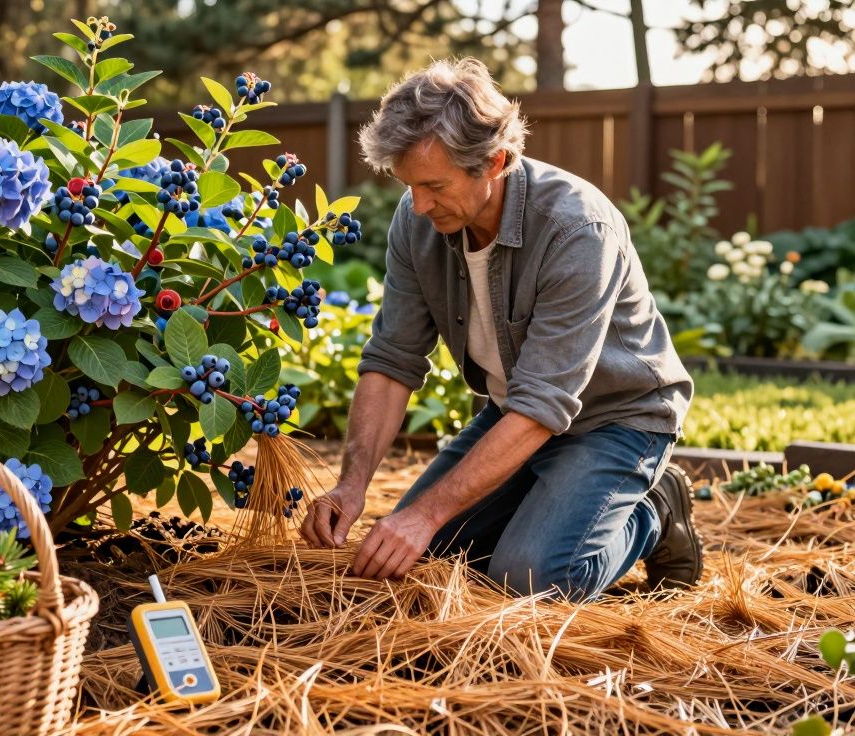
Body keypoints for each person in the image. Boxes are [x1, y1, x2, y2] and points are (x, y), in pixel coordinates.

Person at [299, 58, 701, 602]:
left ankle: (652, 512)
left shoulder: (578, 228)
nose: (418, 205)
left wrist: (424, 513)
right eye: (408, 185)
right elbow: (393, 361)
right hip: (513, 413)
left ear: (496, 161)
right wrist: (352, 485)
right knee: (424, 560)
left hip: (617, 420)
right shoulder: (417, 218)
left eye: (434, 186)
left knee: (531, 578)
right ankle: (546, 507)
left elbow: (544, 403)